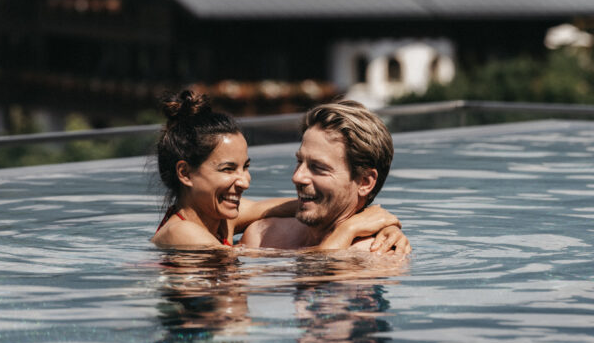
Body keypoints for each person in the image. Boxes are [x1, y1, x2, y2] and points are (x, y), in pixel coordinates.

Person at [152, 91, 405, 252]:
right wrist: (349, 229)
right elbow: (240, 272)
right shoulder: (182, 233)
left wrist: (373, 219)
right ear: (185, 174)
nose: (244, 181)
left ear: (365, 182)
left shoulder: (222, 219)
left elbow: (278, 207)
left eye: (245, 167)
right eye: (228, 169)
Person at [241, 100, 406, 253]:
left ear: (365, 182)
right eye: (300, 161)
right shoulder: (263, 235)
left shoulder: (375, 256)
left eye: (318, 167)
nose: (297, 177)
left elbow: (318, 279)